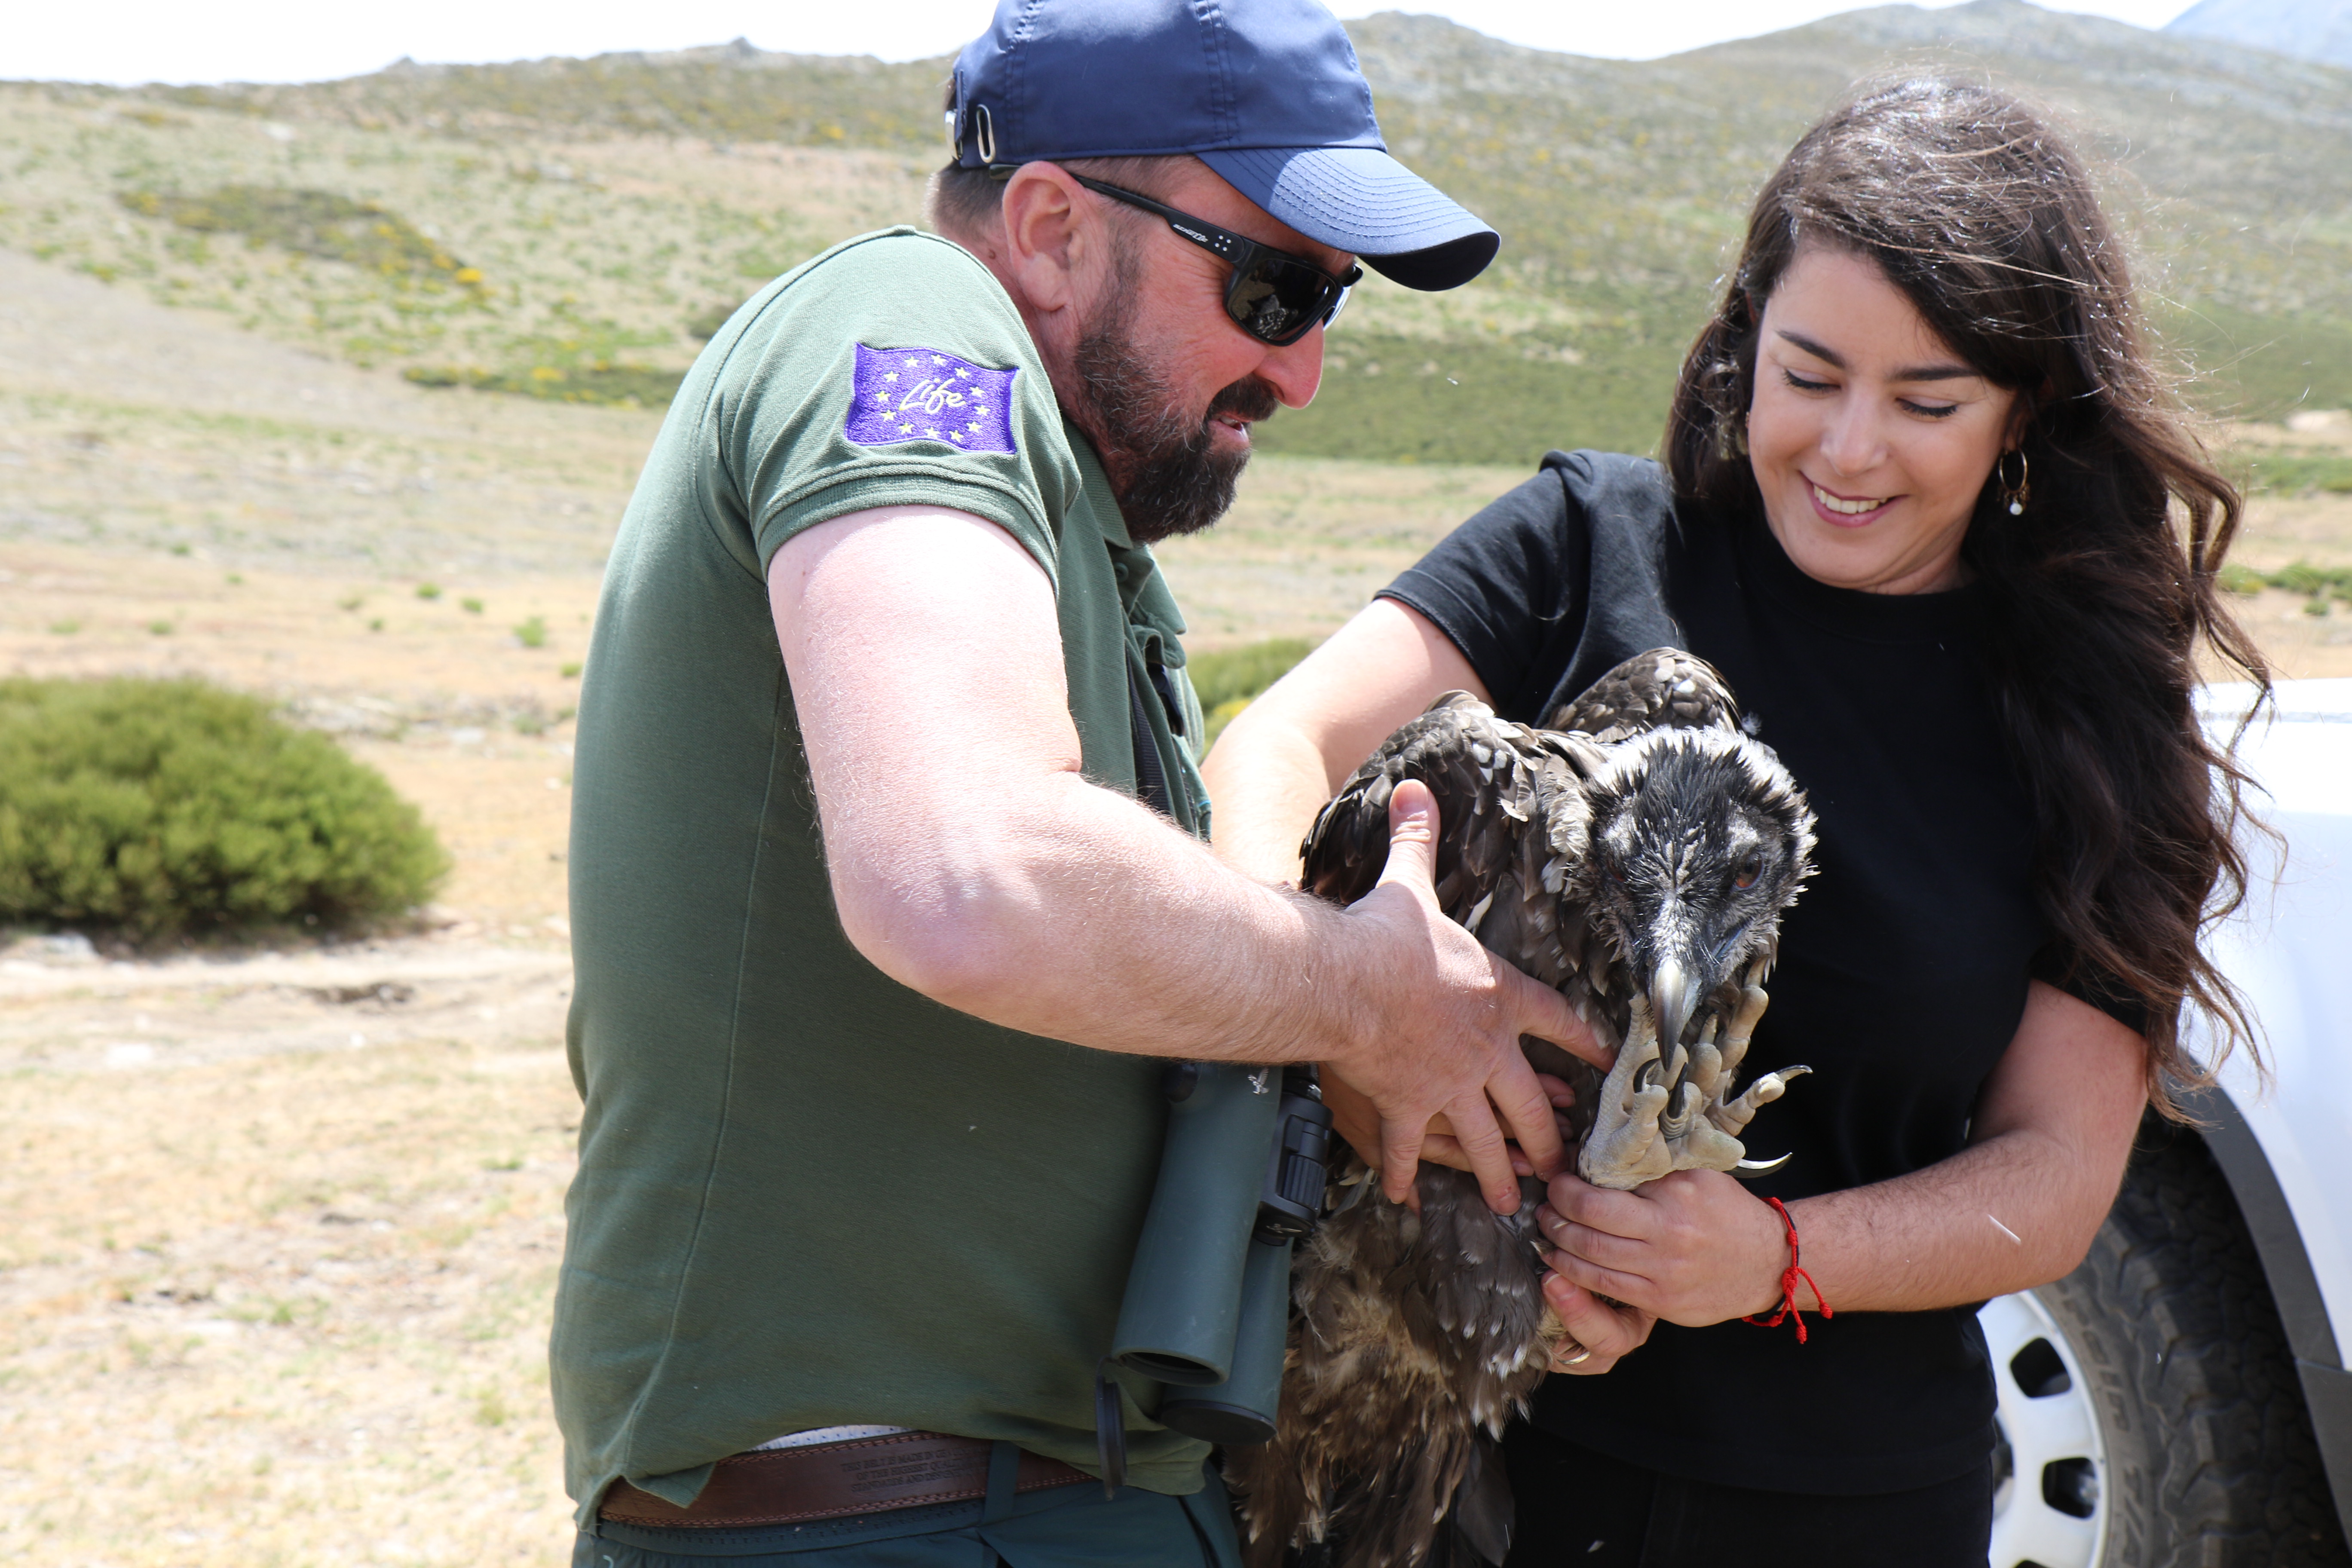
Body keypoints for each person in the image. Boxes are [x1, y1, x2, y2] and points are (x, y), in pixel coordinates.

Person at [550, 3, 1617, 1565]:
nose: (1304, 371)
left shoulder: (1094, 547)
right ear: (1050, 229)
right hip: (885, 1512)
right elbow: (968, 874)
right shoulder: (909, 328)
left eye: (1334, 304)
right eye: (1272, 286)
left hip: (1072, 1496)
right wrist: (1360, 996)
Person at [1204, 77, 2268, 1565]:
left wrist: (1763, 1258)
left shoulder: (2092, 720)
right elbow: (1281, 743)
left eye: (1927, 402)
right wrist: (1346, 1012)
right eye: (1810, 373)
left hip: (1842, 1504)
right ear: (1741, 347)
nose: (1847, 451)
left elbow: (2056, 1176)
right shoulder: (1590, 544)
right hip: (1418, 1471)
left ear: (2025, 409)